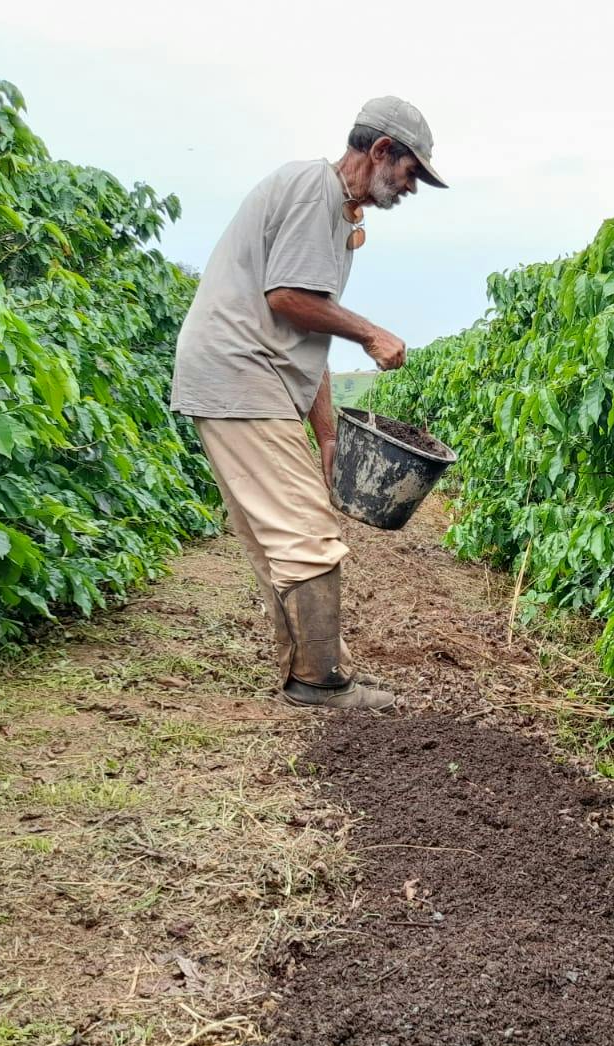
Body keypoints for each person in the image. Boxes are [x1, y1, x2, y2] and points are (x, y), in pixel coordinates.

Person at [170, 97, 446, 709]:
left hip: (250, 374)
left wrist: (326, 435)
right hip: (238, 370)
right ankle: (318, 682)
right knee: (307, 530)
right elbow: (288, 298)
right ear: (380, 151)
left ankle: (314, 668)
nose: (410, 188)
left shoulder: (338, 219)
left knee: (277, 532)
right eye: (409, 173)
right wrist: (371, 332)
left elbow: (308, 336)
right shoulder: (309, 189)